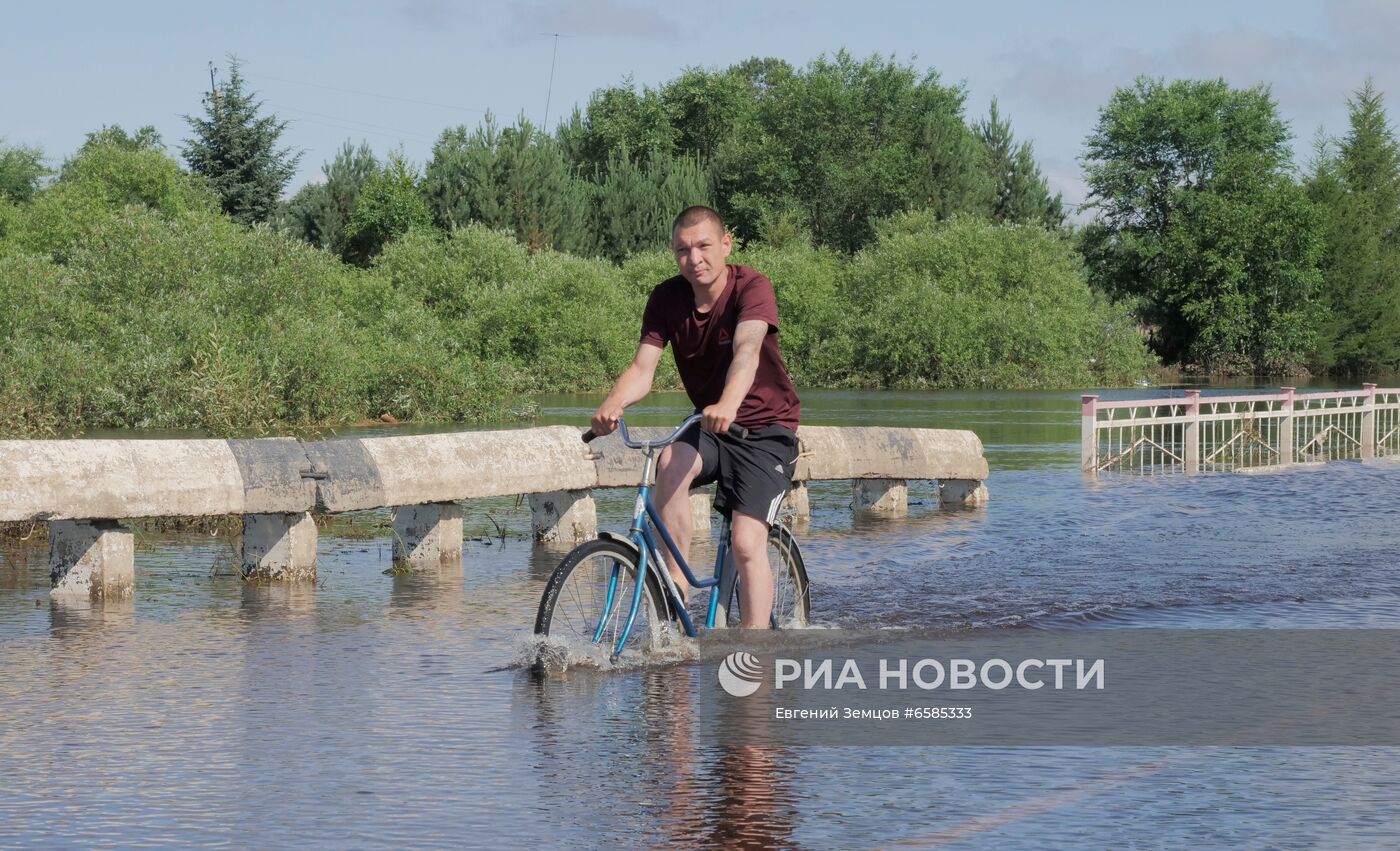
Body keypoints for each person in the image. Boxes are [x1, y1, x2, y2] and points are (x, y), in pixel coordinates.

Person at [590, 205, 801, 629]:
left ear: (726, 245)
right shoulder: (667, 298)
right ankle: (677, 593)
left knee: (745, 543)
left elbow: (747, 349)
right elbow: (642, 368)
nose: (694, 259)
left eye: (704, 246)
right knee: (670, 464)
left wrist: (727, 402)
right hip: (710, 426)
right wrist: (613, 404)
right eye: (683, 250)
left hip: (766, 431)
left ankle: (755, 652)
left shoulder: (752, 287)